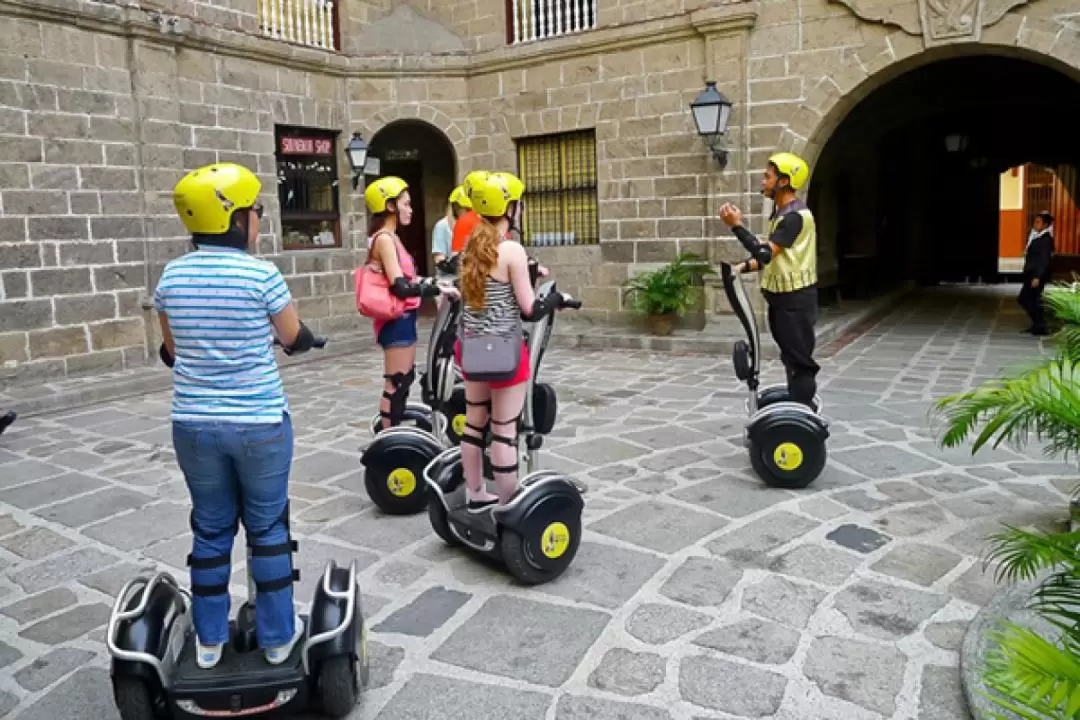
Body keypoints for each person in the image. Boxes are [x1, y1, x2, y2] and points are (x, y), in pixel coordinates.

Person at [155, 162, 319, 670]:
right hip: (258, 422)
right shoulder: (261, 273)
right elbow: (292, 336)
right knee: (267, 526)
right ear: (233, 219)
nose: (260, 221)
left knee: (210, 529)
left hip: (195, 425)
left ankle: (207, 643)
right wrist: (302, 339)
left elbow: (172, 351)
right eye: (256, 212)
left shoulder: (172, 275)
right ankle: (275, 639)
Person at [455, 171, 571, 512]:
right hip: (504, 352)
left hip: (472, 349)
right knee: (505, 429)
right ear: (510, 208)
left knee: (474, 424)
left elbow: (489, 294)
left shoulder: (470, 249)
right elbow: (529, 310)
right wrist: (557, 299)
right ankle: (509, 504)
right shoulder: (511, 250)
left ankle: (475, 493)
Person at [719, 152, 820, 408]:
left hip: (795, 301)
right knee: (790, 358)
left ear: (784, 181)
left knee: (800, 362)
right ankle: (797, 403)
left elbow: (764, 252)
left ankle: (802, 415)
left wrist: (736, 226)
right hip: (783, 300)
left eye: (768, 177)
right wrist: (742, 267)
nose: (763, 181)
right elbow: (773, 256)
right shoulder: (781, 214)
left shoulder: (795, 217)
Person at [364, 176, 454, 428]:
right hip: (395, 320)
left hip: (404, 317)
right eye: (406, 204)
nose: (411, 209)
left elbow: (409, 278)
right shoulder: (384, 239)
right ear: (390, 206)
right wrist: (434, 287)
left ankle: (393, 428)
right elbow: (400, 286)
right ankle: (388, 438)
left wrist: (436, 284)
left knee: (404, 377)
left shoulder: (392, 238)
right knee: (396, 380)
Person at [1018, 211, 1054, 336]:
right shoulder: (1037, 236)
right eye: (1035, 221)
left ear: (1045, 225)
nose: (1035, 224)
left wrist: (1038, 277)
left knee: (1026, 298)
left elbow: (1044, 260)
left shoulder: (1045, 240)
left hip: (1036, 275)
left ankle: (1040, 325)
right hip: (1032, 273)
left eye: (1038, 222)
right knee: (1031, 299)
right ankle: (1037, 324)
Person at [432, 185, 471, 267]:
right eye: (467, 209)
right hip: (451, 276)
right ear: (455, 207)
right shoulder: (442, 226)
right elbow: (438, 258)